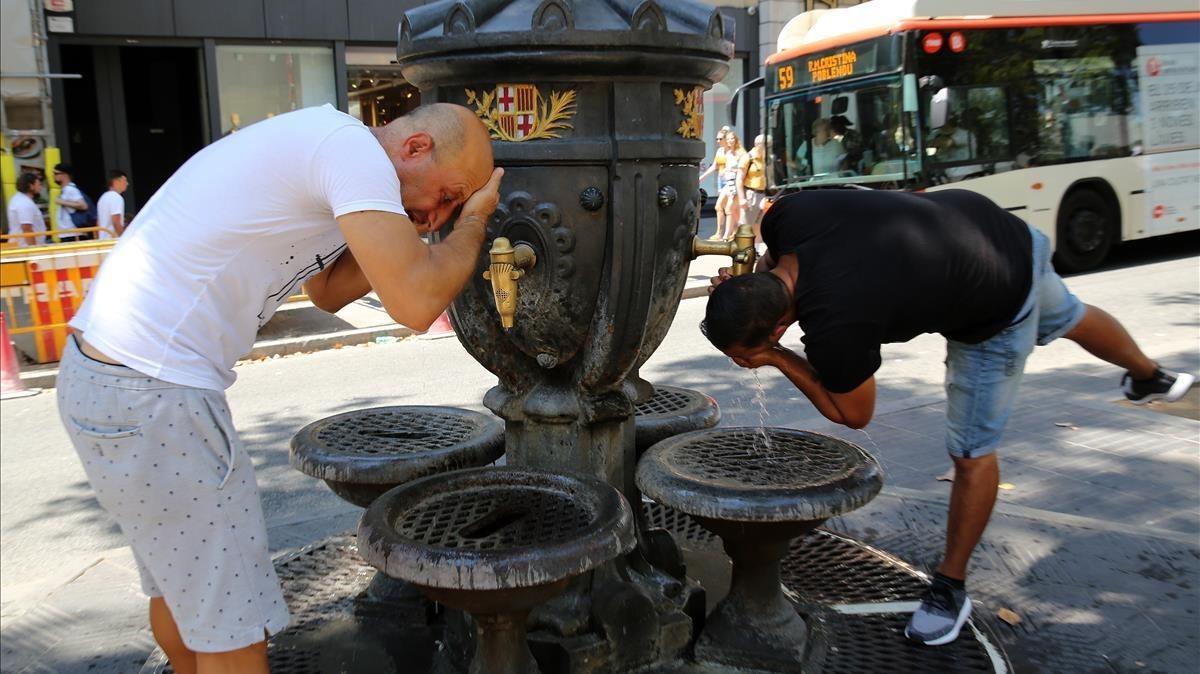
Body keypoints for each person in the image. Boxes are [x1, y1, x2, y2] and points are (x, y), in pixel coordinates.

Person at [56, 102, 502, 674]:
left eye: (452, 206)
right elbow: (416, 303)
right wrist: (473, 222)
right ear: (415, 147)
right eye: (446, 193)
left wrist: (411, 226)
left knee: (182, 594)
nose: (440, 211)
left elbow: (327, 291)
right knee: (233, 631)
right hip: (156, 395)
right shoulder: (353, 155)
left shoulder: (326, 144)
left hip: (106, 379)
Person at [702, 189, 1195, 647]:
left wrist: (776, 358)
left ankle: (950, 588)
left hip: (994, 307)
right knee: (1068, 314)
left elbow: (852, 412)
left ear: (780, 327)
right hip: (1000, 230)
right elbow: (785, 260)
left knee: (971, 452)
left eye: (749, 352)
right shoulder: (788, 217)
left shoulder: (837, 320)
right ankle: (1150, 375)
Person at [698, 126, 730, 241]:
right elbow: (715, 166)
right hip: (721, 182)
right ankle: (727, 233)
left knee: (719, 206)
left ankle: (721, 234)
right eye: (717, 139)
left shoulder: (732, 151)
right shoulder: (720, 151)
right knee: (726, 208)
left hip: (729, 182)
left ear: (727, 139)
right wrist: (702, 177)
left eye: (720, 139)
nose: (718, 141)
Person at [717, 131, 749, 241]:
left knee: (730, 208)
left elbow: (743, 170)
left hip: (736, 184)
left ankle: (726, 235)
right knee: (732, 211)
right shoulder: (729, 153)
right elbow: (726, 167)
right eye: (728, 139)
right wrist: (725, 171)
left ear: (736, 139)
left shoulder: (741, 153)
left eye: (732, 139)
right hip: (728, 183)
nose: (730, 141)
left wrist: (732, 170)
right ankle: (737, 232)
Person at [5, 172, 46, 247]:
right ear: (31, 186)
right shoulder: (24, 203)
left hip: (22, 247)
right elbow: (27, 229)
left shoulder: (20, 199)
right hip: (24, 248)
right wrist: (33, 250)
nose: (40, 188)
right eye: (38, 184)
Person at [52, 163, 91, 242]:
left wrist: (62, 202)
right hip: (68, 233)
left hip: (73, 234)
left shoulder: (70, 189)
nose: (53, 176)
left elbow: (83, 205)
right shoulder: (65, 190)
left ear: (65, 175)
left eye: (56, 173)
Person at [740, 134, 768, 246]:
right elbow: (739, 179)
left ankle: (755, 249)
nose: (768, 146)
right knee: (746, 224)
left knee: (759, 223)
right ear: (757, 145)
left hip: (764, 194)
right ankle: (743, 249)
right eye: (766, 144)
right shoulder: (748, 157)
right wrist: (742, 198)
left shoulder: (767, 158)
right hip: (751, 194)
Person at [95, 169, 129, 239]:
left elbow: (98, 222)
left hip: (103, 241)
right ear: (116, 181)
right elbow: (116, 222)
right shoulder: (116, 197)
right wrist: (122, 239)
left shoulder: (102, 198)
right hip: (113, 241)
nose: (127, 183)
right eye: (125, 180)